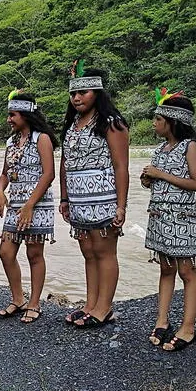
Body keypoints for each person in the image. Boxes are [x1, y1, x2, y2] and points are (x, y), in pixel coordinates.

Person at [59, 62, 129, 328]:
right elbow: (65, 162)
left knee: (105, 251)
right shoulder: (73, 124)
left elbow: (121, 166)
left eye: (84, 93)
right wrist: (64, 198)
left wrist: (120, 206)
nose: (77, 98)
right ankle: (90, 304)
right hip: (78, 199)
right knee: (87, 250)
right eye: (74, 94)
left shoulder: (111, 123)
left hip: (103, 197)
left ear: (97, 93)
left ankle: (104, 307)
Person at [141, 90, 196, 351]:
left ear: (172, 121)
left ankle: (188, 328)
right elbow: (156, 179)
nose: (154, 124)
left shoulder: (190, 146)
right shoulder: (160, 149)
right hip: (159, 215)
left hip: (181, 217)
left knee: (186, 270)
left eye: (158, 119)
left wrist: (160, 174)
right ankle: (162, 320)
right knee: (166, 268)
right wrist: (148, 179)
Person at [0, 91, 58, 323]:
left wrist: (30, 205)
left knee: (34, 253)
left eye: (12, 115)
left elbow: (48, 174)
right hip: (16, 203)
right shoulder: (11, 142)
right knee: (6, 252)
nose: (9, 120)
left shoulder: (41, 138)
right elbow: (4, 174)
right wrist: (0, 191)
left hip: (37, 204)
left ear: (25, 114)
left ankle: (34, 303)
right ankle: (18, 298)